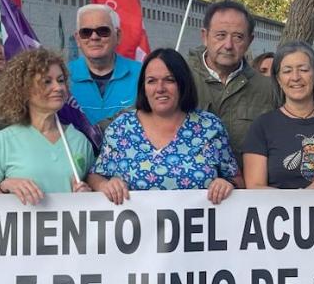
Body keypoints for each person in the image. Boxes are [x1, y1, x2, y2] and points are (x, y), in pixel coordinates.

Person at [89, 48, 237, 204]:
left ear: (183, 84)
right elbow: (95, 175)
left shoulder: (211, 127)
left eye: (169, 80)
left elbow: (236, 179)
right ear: (143, 87)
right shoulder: (120, 128)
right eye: (151, 81)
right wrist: (104, 185)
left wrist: (227, 185)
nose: (160, 88)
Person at [0, 48, 93, 203]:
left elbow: (93, 186)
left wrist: (89, 194)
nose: (58, 87)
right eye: (47, 82)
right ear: (24, 90)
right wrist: (4, 186)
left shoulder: (79, 140)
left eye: (60, 80)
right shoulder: (1, 142)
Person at [243, 41, 314, 190]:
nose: (295, 77)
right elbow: (255, 187)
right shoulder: (262, 126)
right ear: (279, 79)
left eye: (303, 70)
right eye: (287, 71)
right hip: (281, 213)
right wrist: (305, 195)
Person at [188, 0, 278, 163]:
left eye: (237, 37)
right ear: (205, 36)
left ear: (249, 41)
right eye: (220, 35)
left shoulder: (268, 90)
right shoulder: (178, 79)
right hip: (189, 187)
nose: (228, 45)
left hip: (246, 186)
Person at [69, 4, 142, 125]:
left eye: (103, 31)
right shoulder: (62, 78)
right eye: (86, 32)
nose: (94, 37)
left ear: (118, 36)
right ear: (77, 39)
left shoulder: (143, 75)